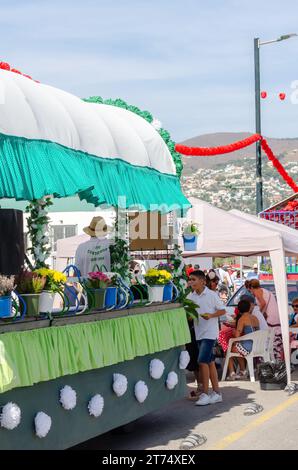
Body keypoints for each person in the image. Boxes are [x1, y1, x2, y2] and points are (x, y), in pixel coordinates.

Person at [187, 270, 226, 406]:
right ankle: (217, 393)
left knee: (202, 361)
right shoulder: (191, 296)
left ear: (203, 281)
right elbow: (189, 314)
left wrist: (210, 315)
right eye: (190, 280)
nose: (191, 282)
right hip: (199, 333)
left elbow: (222, 310)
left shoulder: (211, 295)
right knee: (209, 363)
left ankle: (205, 393)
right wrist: (190, 317)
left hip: (210, 333)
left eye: (193, 280)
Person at [249, 279, 283, 360]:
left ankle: (267, 359)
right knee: (273, 339)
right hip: (275, 315)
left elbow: (263, 303)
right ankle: (274, 358)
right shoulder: (264, 290)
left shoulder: (257, 291)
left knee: (268, 339)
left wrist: (258, 313)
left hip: (270, 316)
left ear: (251, 288)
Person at [227, 299, 259, 380]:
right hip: (258, 345)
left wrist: (234, 332)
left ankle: (240, 371)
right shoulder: (255, 318)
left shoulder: (242, 319)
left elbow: (237, 336)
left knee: (229, 349)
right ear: (249, 308)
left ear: (239, 309)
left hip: (249, 346)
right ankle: (242, 370)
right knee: (236, 347)